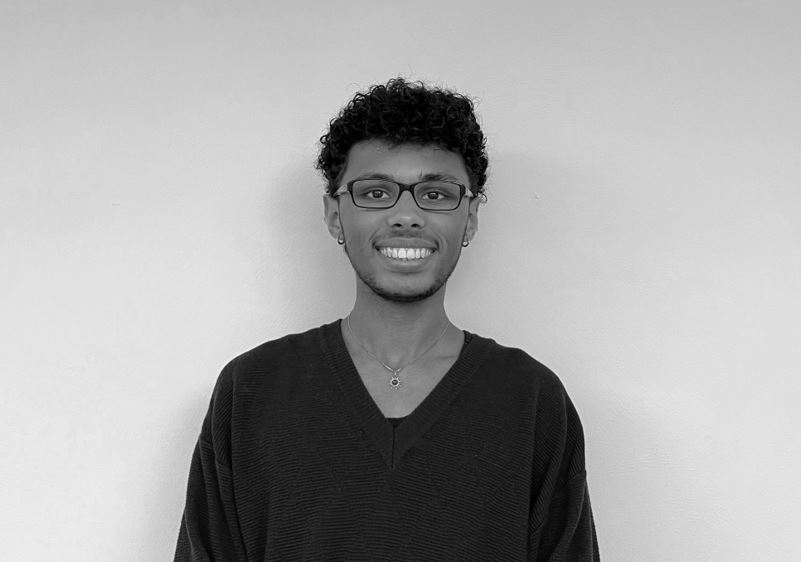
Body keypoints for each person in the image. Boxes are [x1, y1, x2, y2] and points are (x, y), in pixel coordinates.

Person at [174, 78, 599, 561]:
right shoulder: (251, 391)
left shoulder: (532, 400)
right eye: (376, 193)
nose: (406, 216)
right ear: (334, 215)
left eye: (435, 194)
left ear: (470, 217)